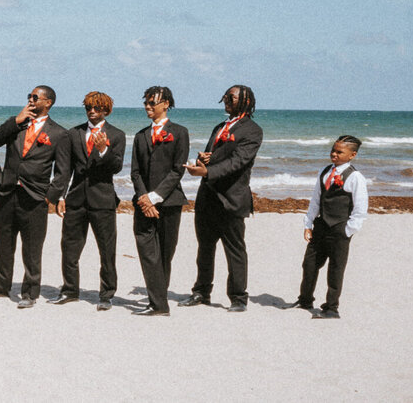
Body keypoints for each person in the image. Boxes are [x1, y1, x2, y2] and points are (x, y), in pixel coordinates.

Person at [0, 86, 71, 309]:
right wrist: (15, 120)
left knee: (32, 249)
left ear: (47, 103)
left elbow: (63, 172)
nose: (30, 100)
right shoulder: (17, 125)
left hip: (35, 197)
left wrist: (50, 197)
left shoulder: (59, 133)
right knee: (4, 244)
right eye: (29, 96)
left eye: (35, 97)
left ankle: (30, 293)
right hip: (7, 191)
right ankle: (0, 287)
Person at [182, 85, 263, 312]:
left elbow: (238, 162)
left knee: (235, 250)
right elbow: (217, 156)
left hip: (231, 199)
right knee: (204, 249)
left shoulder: (253, 130)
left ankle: (238, 298)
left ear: (246, 101)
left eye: (231, 97)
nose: (226, 100)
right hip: (207, 197)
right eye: (225, 96)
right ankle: (201, 292)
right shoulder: (220, 127)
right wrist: (204, 160)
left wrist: (207, 171)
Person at [50, 91, 125, 311]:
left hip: (103, 200)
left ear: (106, 110)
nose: (92, 111)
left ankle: (107, 294)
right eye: (88, 108)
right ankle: (70, 290)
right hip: (76, 199)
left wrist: (103, 149)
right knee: (69, 248)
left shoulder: (117, 135)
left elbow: (117, 167)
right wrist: (59, 196)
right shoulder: (72, 134)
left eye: (97, 108)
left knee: (107, 250)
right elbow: (63, 170)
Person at [290, 136, 369, 319]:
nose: (334, 154)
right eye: (333, 150)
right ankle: (305, 299)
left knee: (335, 269)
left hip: (340, 229)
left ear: (352, 155)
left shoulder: (355, 177)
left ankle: (331, 308)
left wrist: (348, 230)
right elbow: (316, 200)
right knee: (309, 264)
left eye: (339, 152)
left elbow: (360, 208)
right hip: (321, 226)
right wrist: (308, 223)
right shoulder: (324, 171)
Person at [129, 86, 189, 316]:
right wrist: (144, 199)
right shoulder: (140, 135)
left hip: (170, 202)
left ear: (166, 104)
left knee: (165, 253)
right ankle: (159, 304)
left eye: (152, 103)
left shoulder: (180, 132)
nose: (148, 106)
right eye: (146, 102)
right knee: (147, 250)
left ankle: (158, 301)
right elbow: (135, 172)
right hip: (143, 203)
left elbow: (177, 170)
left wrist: (154, 198)